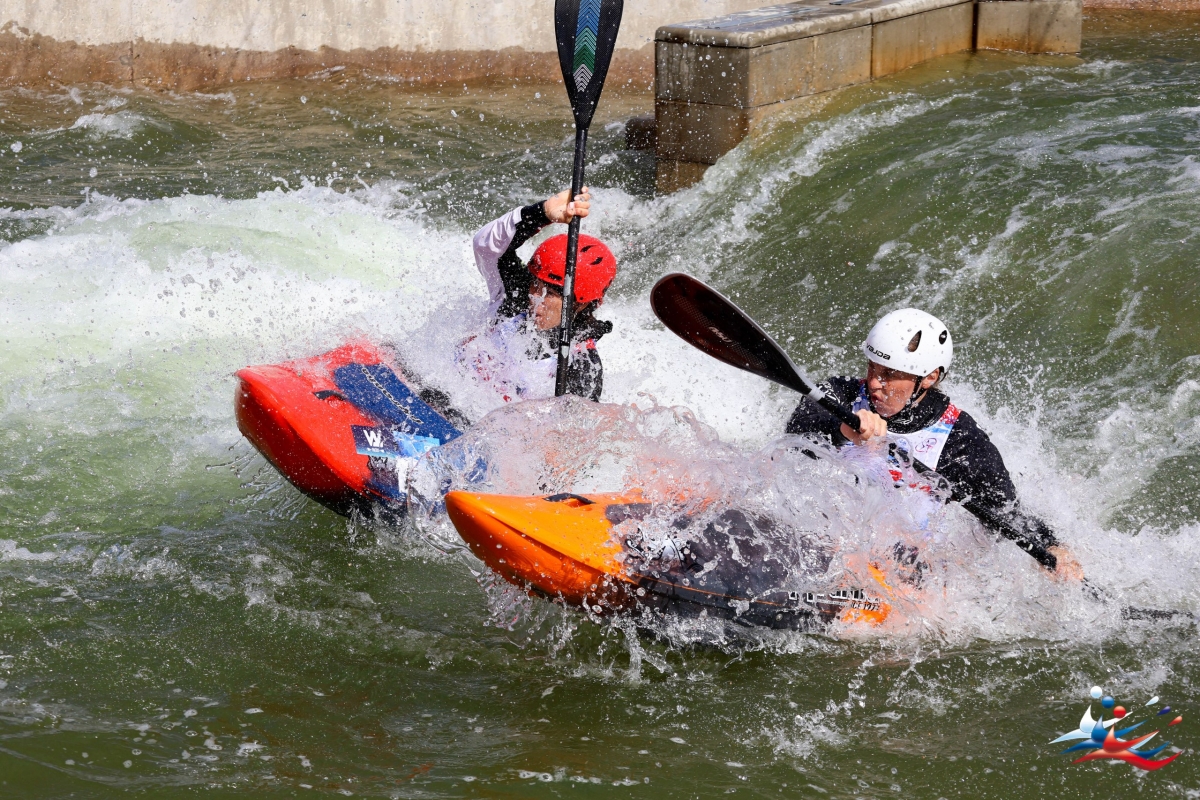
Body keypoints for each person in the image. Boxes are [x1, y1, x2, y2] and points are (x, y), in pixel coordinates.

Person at [785, 308, 1083, 580]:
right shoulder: (840, 395)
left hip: (899, 567)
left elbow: (1004, 511)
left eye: (888, 374)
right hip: (826, 536)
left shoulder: (960, 440)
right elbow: (793, 435)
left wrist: (1053, 548)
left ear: (928, 378)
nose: (874, 383)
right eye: (872, 368)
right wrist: (842, 429)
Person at [459, 187, 617, 402]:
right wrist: (541, 213)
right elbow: (486, 246)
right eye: (535, 285)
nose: (536, 299)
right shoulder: (515, 295)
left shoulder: (582, 367)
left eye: (551, 293)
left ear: (580, 305)